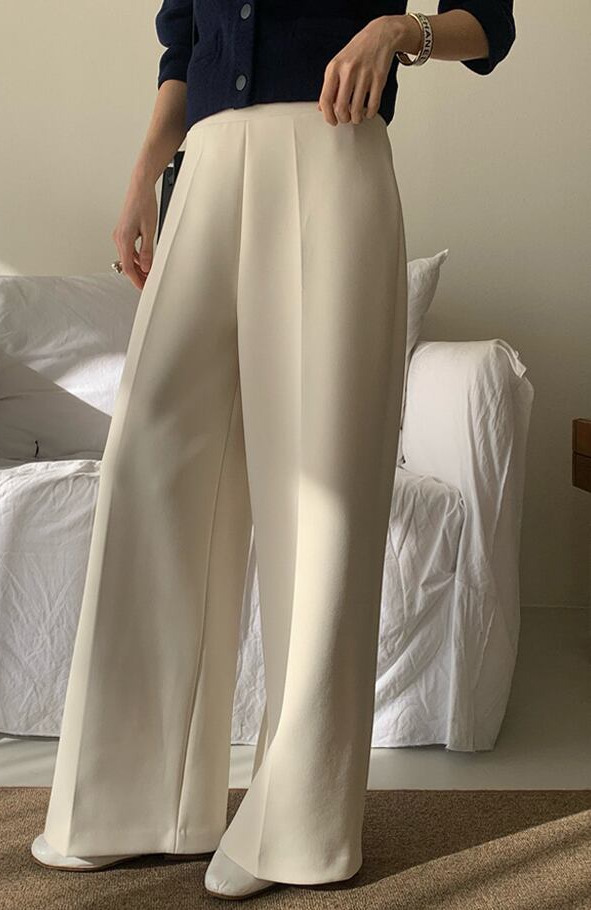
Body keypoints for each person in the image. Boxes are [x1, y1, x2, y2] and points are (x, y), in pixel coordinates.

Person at [31, 1, 516, 901]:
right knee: (150, 472)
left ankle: (299, 827)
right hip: (204, 169)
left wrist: (395, 35)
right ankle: (133, 804)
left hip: (330, 153)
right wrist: (144, 174)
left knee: (317, 494)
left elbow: (490, 22)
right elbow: (185, 45)